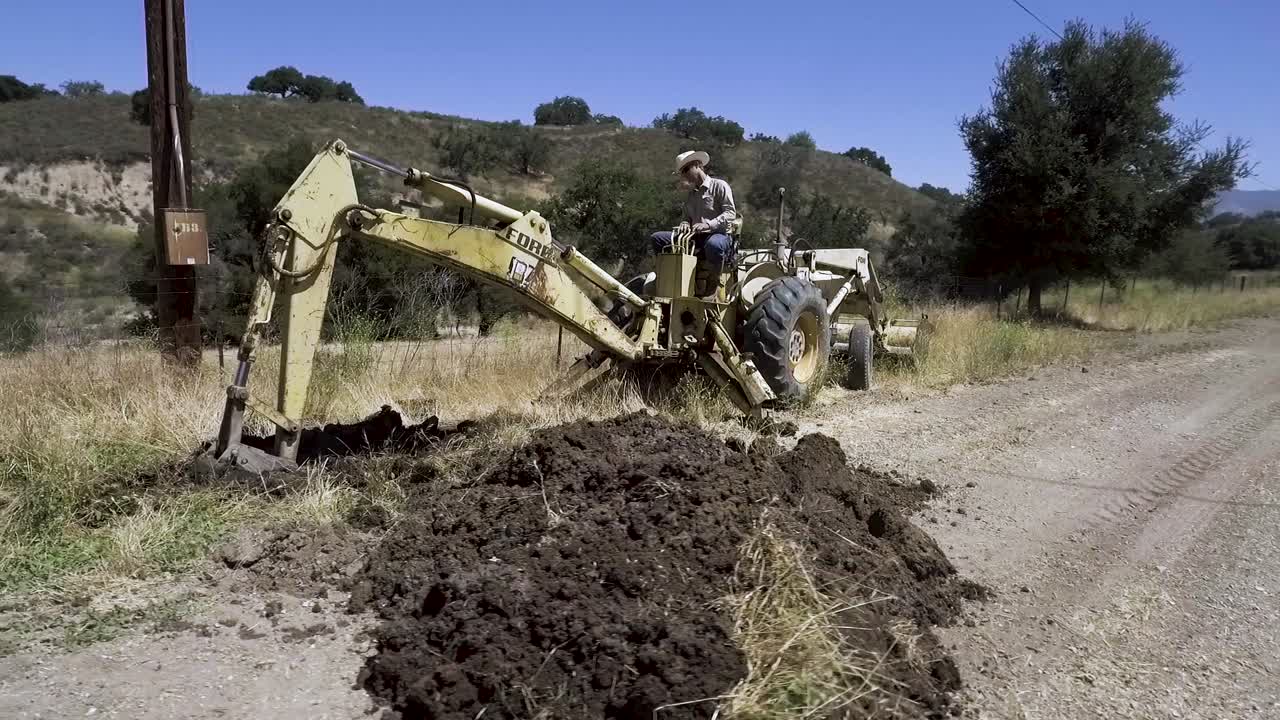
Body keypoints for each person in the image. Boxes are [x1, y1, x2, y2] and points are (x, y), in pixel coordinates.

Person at [650, 150, 737, 297]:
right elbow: (687, 217)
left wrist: (709, 225)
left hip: (719, 235)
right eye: (682, 172)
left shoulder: (720, 186)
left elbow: (730, 213)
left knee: (714, 245)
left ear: (698, 165)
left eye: (685, 170)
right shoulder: (692, 195)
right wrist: (685, 223)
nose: (684, 175)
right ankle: (669, 276)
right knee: (657, 238)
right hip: (694, 237)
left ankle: (712, 283)